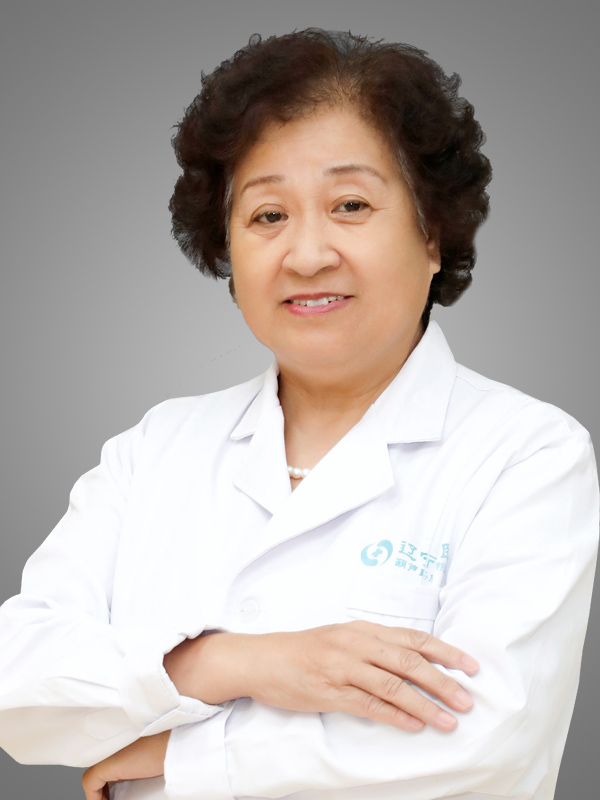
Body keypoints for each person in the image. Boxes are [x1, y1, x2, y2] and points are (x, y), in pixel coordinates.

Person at [0, 27, 598, 800]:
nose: (307, 254)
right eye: (267, 215)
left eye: (350, 205)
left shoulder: (526, 453)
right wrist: (229, 661)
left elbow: (486, 743)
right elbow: (18, 686)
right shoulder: (155, 448)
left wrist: (176, 757)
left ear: (433, 235)